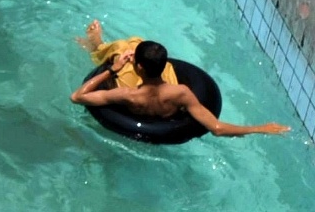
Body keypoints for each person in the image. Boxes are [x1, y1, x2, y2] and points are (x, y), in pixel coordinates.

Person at [71, 39, 290, 136]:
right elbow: (217, 128)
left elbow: (77, 96)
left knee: (121, 48)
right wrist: (260, 128)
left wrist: (112, 69)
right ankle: (100, 44)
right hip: (166, 113)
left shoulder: (126, 95)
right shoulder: (181, 93)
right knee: (134, 42)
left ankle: (97, 45)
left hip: (134, 110)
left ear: (138, 67)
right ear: (165, 65)